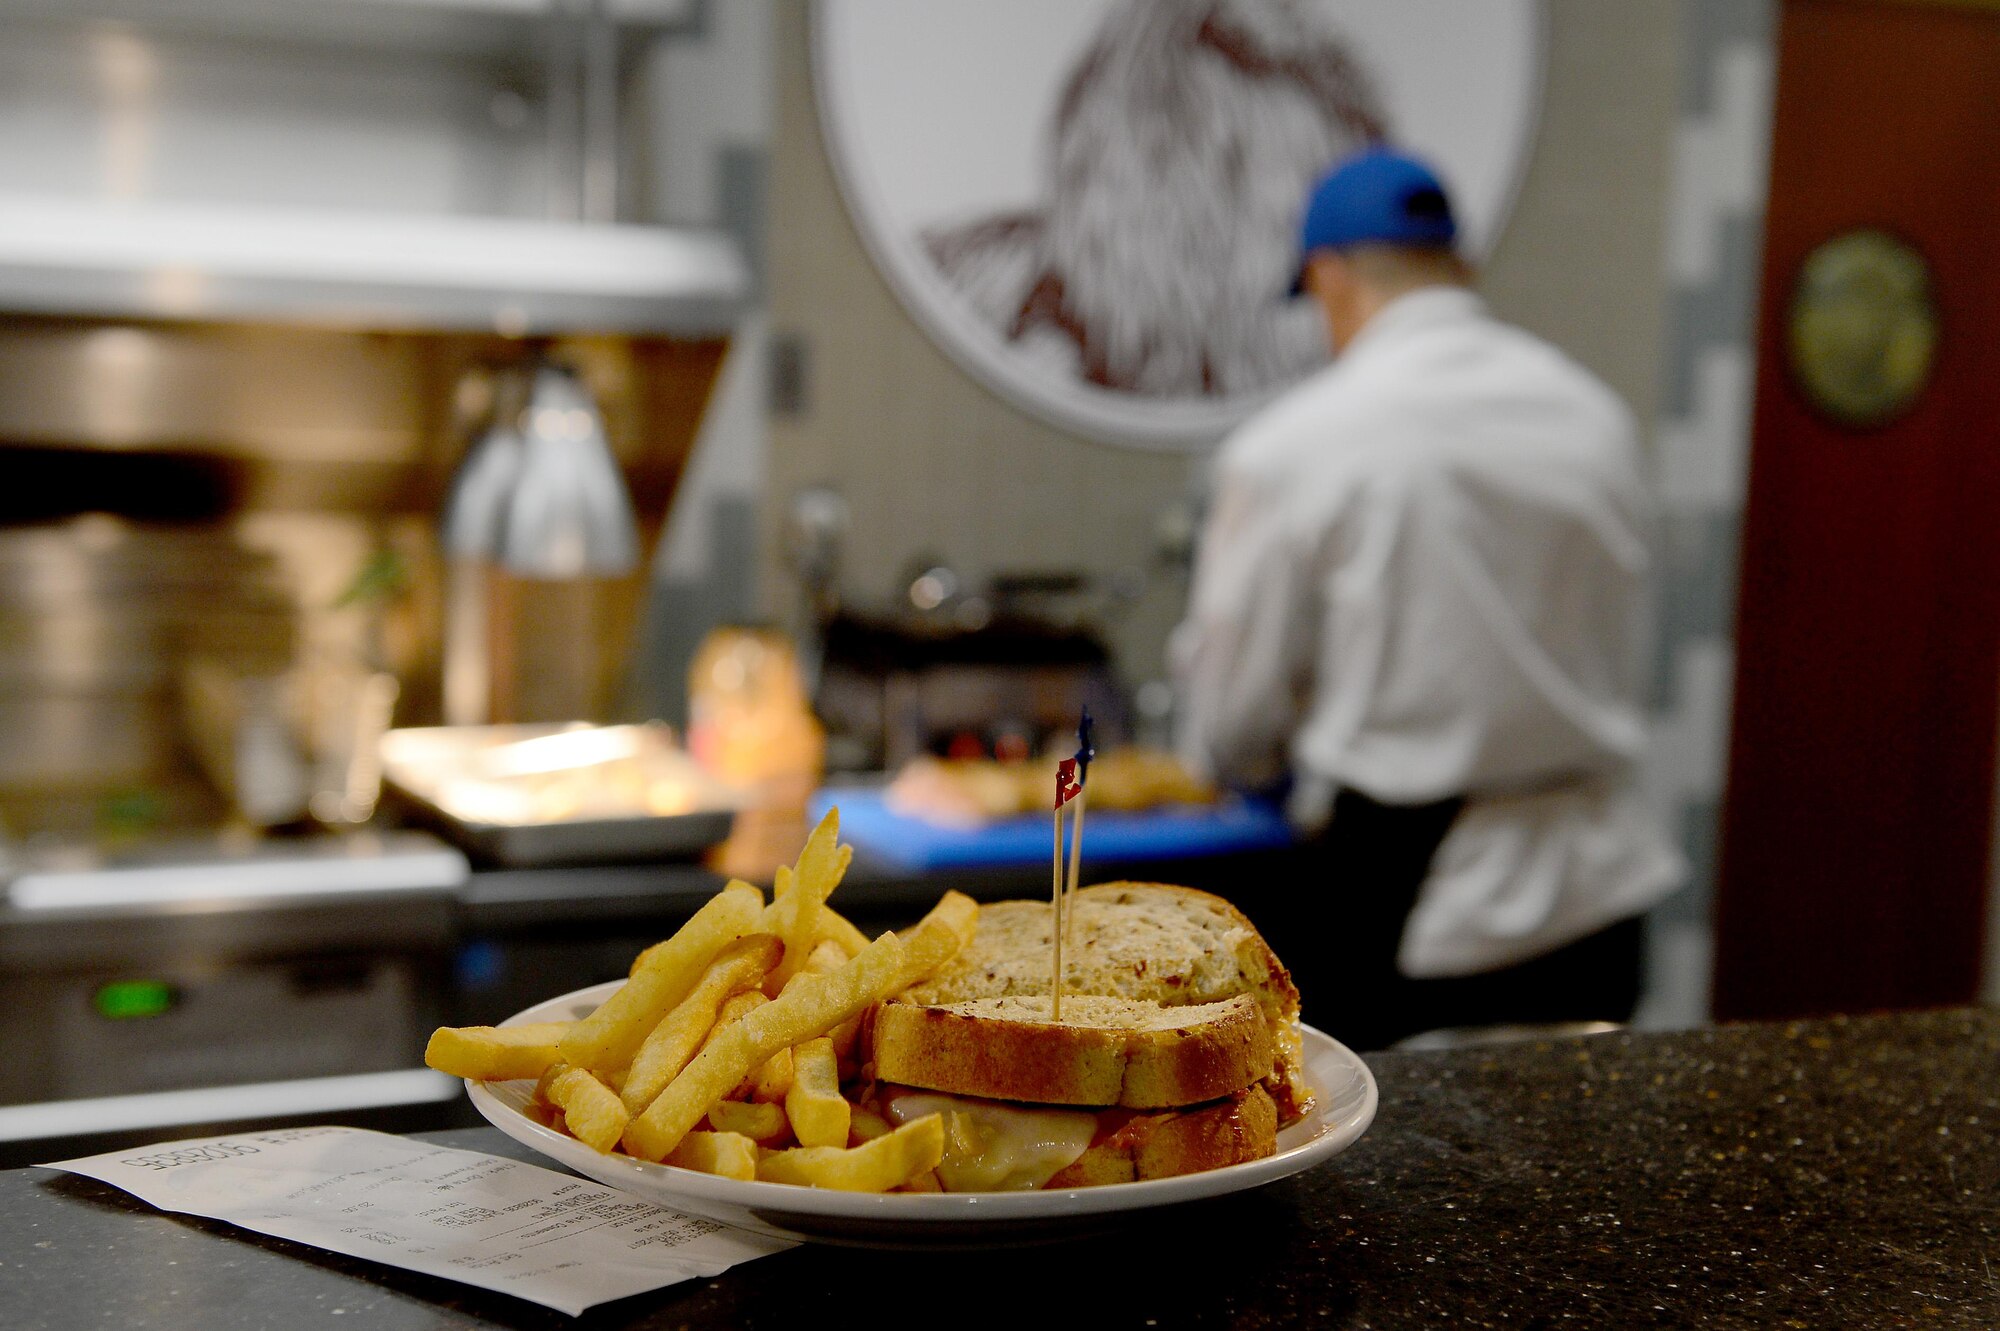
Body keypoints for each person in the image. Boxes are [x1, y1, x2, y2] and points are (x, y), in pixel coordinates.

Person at [1170, 146, 1683, 1050]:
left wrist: (1246, 754)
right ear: (1460, 268)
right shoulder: (1594, 417)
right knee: (1592, 1174)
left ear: (1326, 279)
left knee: (1391, 1181)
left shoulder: (1298, 444)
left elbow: (1232, 722)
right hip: (1602, 893)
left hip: (1413, 903)